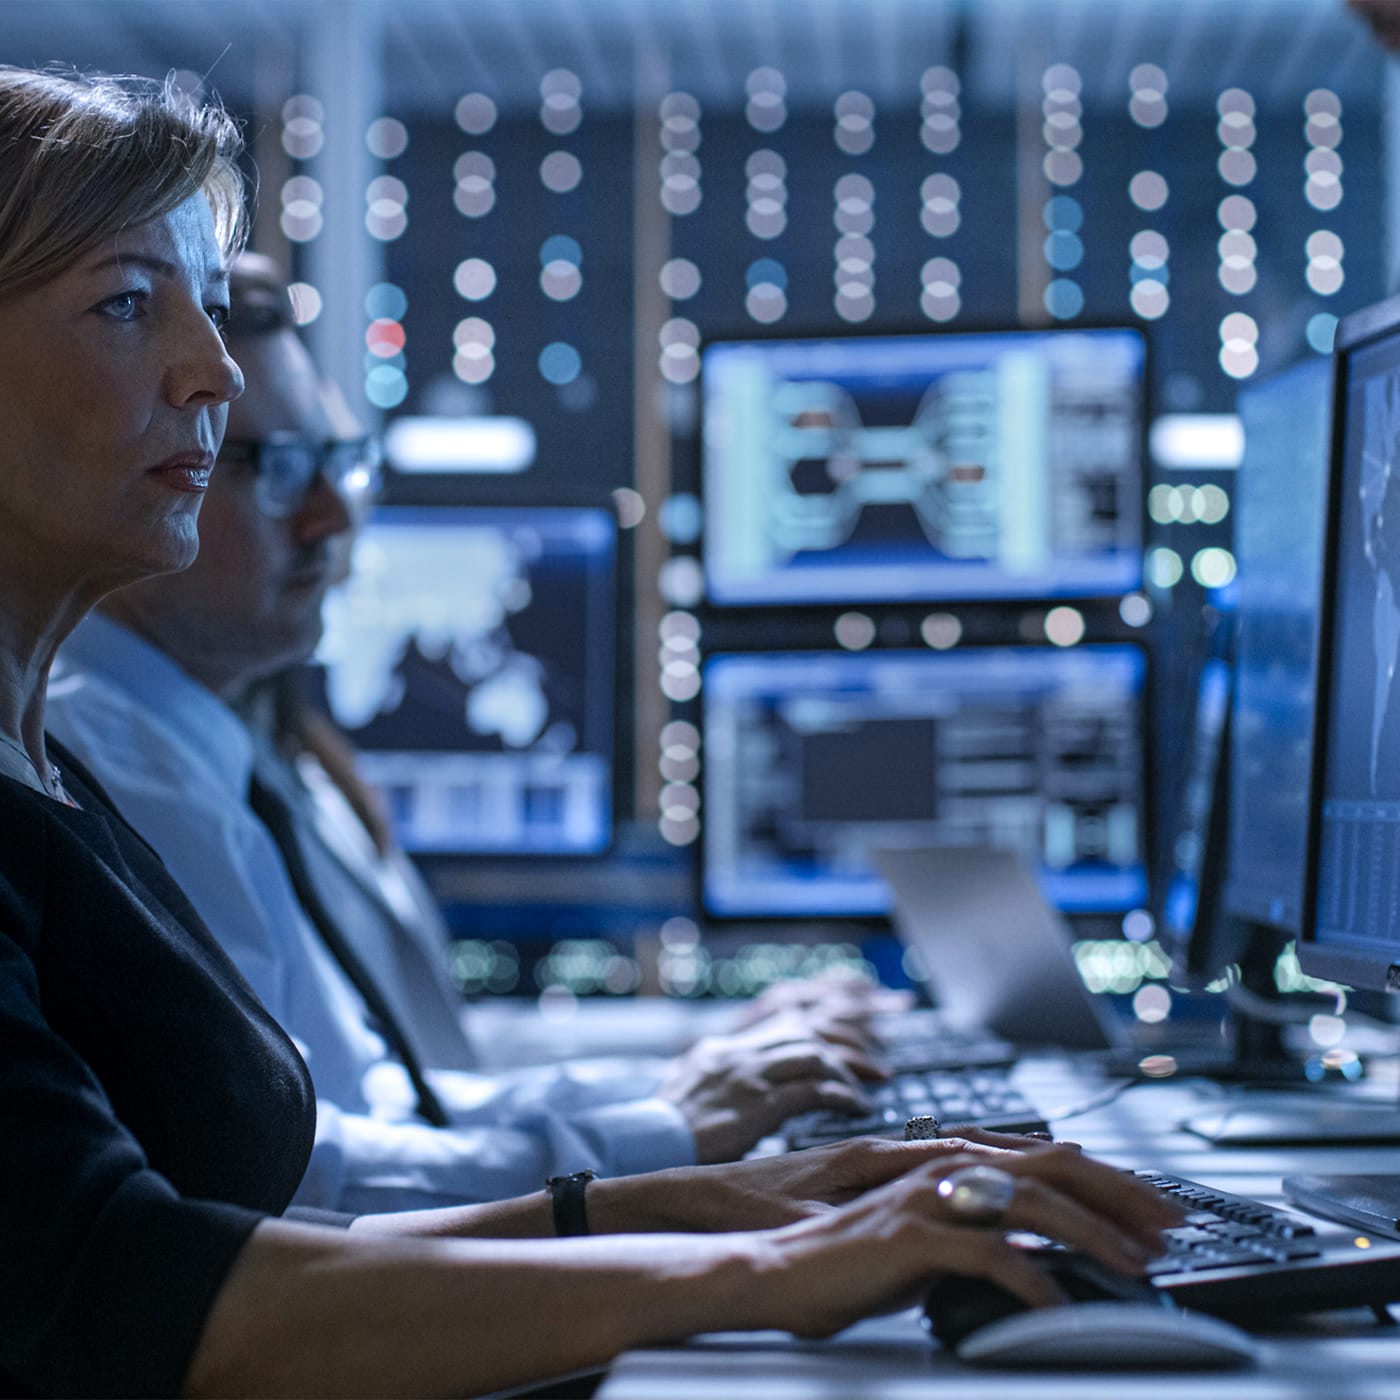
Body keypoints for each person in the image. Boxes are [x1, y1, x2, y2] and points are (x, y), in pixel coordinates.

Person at [0, 64, 1180, 1400]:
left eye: (204, 311)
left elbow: (235, 1242)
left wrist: (757, 1205)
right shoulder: (89, 779)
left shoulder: (54, 782)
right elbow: (129, 1298)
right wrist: (748, 1251)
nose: (209, 372)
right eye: (125, 303)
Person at [49, 250, 895, 1212]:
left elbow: (402, 1080)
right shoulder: (105, 769)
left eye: (337, 462)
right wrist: (668, 1126)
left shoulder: (233, 751)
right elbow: (296, 1173)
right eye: (274, 467)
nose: (335, 522)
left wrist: (689, 1071)